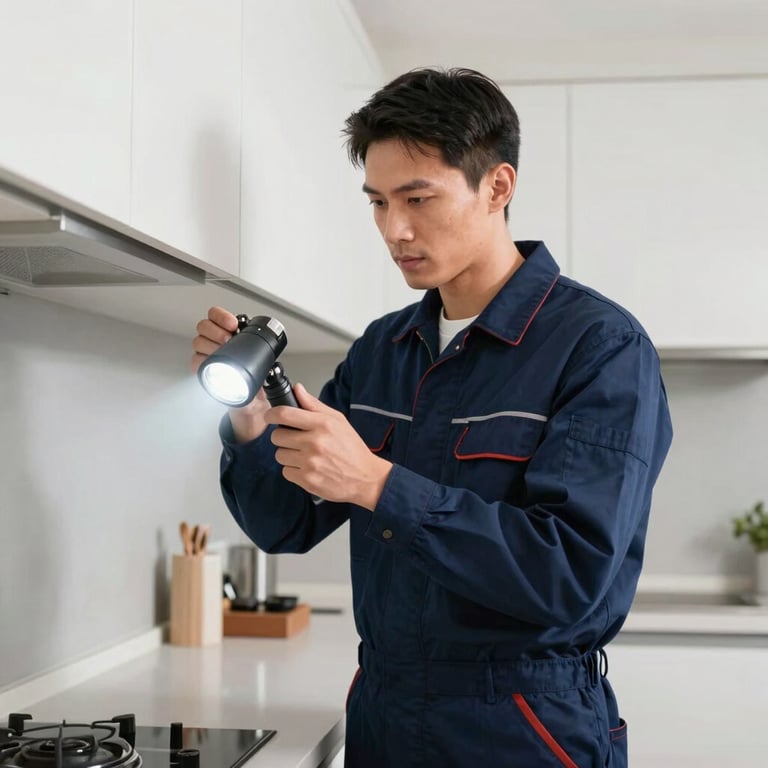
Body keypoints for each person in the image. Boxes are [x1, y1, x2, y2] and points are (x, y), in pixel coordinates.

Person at [191, 67, 672, 768]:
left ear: (498, 187)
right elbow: (283, 523)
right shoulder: (385, 348)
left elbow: (570, 576)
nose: (395, 228)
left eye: (418, 198)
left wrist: (381, 486)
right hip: (385, 715)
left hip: (521, 727)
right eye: (379, 202)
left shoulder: (599, 347)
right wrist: (252, 418)